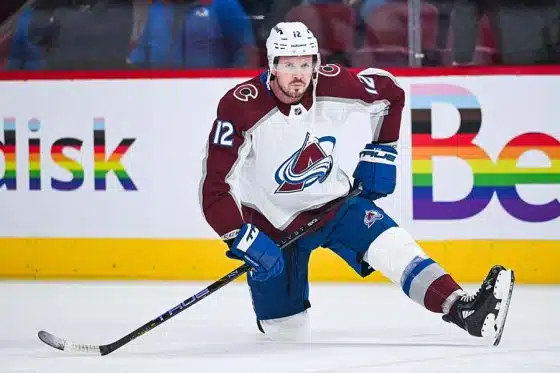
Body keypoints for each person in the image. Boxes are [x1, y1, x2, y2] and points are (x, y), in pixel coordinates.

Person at [199, 21, 515, 345]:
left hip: (334, 205)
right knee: (286, 333)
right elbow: (214, 187)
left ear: (316, 64)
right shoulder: (241, 106)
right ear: (272, 65)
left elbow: (391, 92)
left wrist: (382, 152)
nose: (298, 74)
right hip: (272, 222)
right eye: (289, 64)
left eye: (305, 64)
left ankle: (463, 310)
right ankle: (278, 312)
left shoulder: (335, 84)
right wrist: (242, 237)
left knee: (393, 246)